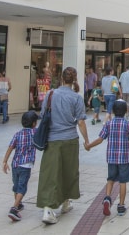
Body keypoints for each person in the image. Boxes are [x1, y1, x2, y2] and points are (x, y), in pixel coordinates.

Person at [36, 66, 90, 225]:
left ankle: (48, 208)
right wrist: (87, 141)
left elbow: (43, 115)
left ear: (61, 78)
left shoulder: (50, 94)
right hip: (70, 139)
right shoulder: (76, 98)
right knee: (69, 171)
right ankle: (66, 201)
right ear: (74, 80)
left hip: (52, 139)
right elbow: (81, 122)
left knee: (50, 173)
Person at [85, 100, 129, 217]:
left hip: (111, 158)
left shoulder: (109, 124)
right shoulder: (128, 124)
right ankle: (121, 206)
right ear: (125, 111)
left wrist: (89, 146)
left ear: (113, 111)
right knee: (123, 181)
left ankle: (107, 198)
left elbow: (100, 139)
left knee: (110, 179)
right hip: (124, 159)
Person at [2, 110, 38, 222]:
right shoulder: (35, 132)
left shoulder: (17, 134)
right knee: (22, 187)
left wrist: (5, 161)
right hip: (26, 165)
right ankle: (14, 209)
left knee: (16, 184)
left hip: (15, 164)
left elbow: (10, 147)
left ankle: (19, 204)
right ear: (34, 123)